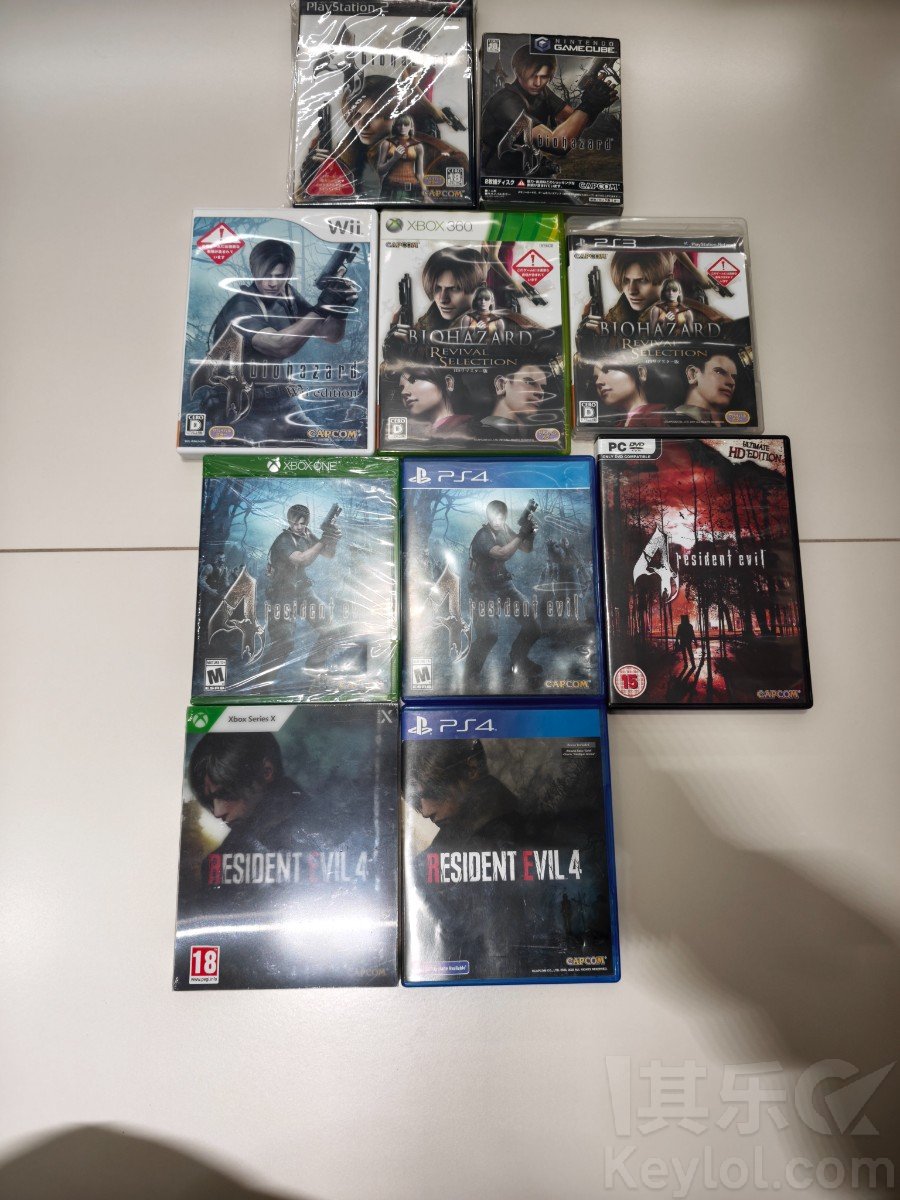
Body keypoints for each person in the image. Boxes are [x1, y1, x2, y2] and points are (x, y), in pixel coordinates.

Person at [481, 44, 616, 177]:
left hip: (529, 169)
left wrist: (595, 105)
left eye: (544, 76)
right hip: (499, 175)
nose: (537, 83)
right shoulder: (505, 103)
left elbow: (576, 122)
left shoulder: (542, 93)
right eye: (532, 76)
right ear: (517, 72)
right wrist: (588, 106)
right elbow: (558, 144)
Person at [188, 731, 317, 868]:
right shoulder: (218, 863)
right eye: (210, 800)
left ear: (266, 772)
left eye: (225, 794)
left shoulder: (318, 831)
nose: (217, 812)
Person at [464, 499, 542, 690]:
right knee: (489, 635)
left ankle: (519, 659)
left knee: (533, 625)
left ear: (505, 517)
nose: (497, 521)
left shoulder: (505, 529)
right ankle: (470, 675)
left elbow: (526, 548)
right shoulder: (482, 536)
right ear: (488, 516)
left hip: (504, 584)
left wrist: (529, 533)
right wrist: (521, 534)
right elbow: (502, 554)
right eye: (494, 516)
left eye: (501, 517)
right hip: (484, 588)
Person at [265, 502, 341, 660]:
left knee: (330, 629)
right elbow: (301, 559)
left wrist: (332, 539)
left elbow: (328, 554)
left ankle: (314, 666)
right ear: (289, 521)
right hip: (283, 595)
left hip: (303, 592)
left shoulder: (306, 534)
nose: (299, 527)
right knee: (283, 645)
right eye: (295, 523)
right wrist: (323, 540)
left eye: (302, 523)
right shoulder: (283, 540)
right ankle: (265, 677)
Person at [473, 362, 554, 440]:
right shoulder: (477, 434)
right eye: (529, 382)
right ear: (501, 385)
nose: (541, 392)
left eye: (543, 387)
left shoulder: (534, 434)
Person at [396, 366, 469, 437]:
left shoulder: (467, 426)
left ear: (449, 382)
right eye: (402, 388)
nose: (403, 392)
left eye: (413, 380)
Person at [671, 351, 739, 425]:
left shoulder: (732, 424)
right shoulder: (669, 422)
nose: (732, 382)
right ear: (693, 375)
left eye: (734, 377)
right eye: (719, 372)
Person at [591, 360, 664, 428]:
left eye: (607, 371)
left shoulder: (655, 417)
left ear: (641, 372)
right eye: (596, 378)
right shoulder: (620, 423)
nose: (598, 382)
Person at [376, 115, 430, 203]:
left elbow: (420, 174)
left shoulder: (417, 146)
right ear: (395, 126)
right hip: (391, 188)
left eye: (406, 125)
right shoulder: (387, 143)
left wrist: (426, 195)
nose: (402, 127)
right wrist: (394, 158)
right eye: (399, 125)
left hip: (412, 188)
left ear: (411, 127)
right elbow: (380, 171)